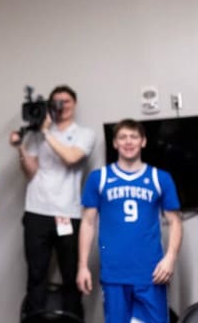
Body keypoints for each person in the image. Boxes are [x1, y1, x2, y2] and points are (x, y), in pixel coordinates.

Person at [77, 119, 182, 323]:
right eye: (122, 137)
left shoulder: (160, 178)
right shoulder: (99, 178)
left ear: (143, 141)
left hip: (151, 273)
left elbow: (175, 222)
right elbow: (88, 223)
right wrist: (82, 266)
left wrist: (170, 258)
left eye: (134, 136)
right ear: (115, 143)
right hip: (114, 273)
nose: (128, 141)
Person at [9, 84, 95, 319]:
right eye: (56, 102)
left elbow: (71, 158)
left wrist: (46, 133)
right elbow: (31, 172)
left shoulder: (83, 134)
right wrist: (20, 148)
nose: (61, 106)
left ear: (73, 104)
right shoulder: (37, 135)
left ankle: (73, 320)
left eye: (65, 101)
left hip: (68, 212)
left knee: (71, 276)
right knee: (36, 276)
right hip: (37, 211)